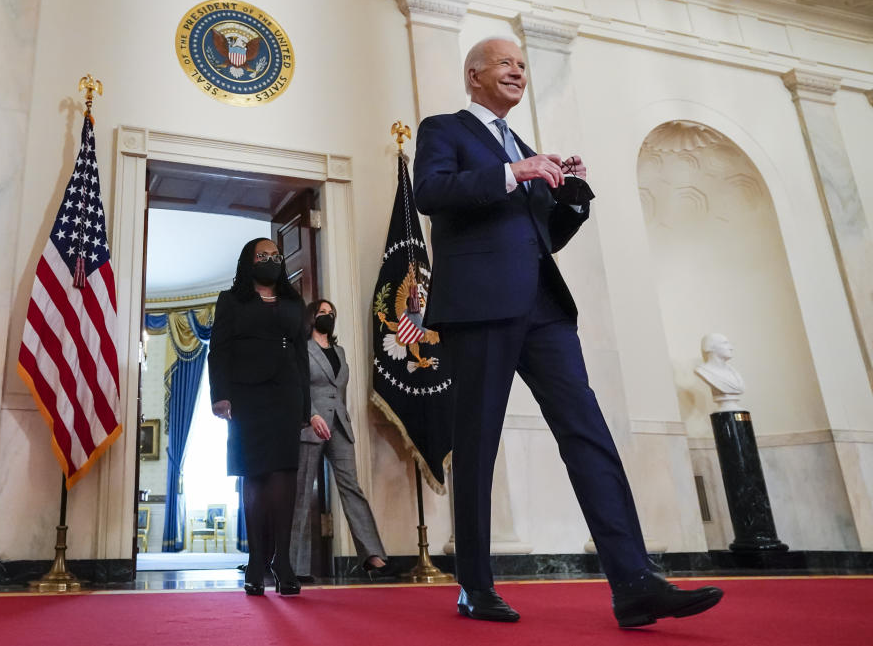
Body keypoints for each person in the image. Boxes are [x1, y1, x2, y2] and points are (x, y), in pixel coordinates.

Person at [412, 36, 723, 627]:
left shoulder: (524, 147)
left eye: (524, 65)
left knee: (589, 435)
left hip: (544, 308)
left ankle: (634, 583)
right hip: (478, 308)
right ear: (473, 75)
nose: (518, 72)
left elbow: (541, 237)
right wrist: (512, 172)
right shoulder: (445, 129)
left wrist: (572, 199)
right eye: (506, 63)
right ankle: (474, 587)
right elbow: (430, 193)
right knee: (476, 447)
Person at [209, 238, 310, 597]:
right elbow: (218, 350)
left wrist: (304, 407)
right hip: (246, 395)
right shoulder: (231, 300)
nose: (271, 260)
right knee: (254, 475)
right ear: (248, 262)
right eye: (262, 255)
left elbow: (301, 354)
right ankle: (255, 562)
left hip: (286, 393)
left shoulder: (294, 302)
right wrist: (220, 396)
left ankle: (282, 563)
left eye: (276, 256)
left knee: (284, 474)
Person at [290, 299, 395, 580]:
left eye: (331, 313)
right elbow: (297, 388)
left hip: (340, 426)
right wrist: (311, 415)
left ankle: (373, 556)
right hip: (310, 425)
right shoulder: (301, 349)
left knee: (352, 488)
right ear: (311, 317)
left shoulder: (340, 351)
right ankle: (295, 566)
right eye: (322, 313)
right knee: (301, 495)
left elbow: (339, 390)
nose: (328, 316)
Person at [694, 333, 745, 412]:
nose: (731, 348)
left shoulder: (733, 372)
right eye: (725, 343)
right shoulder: (702, 371)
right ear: (709, 347)